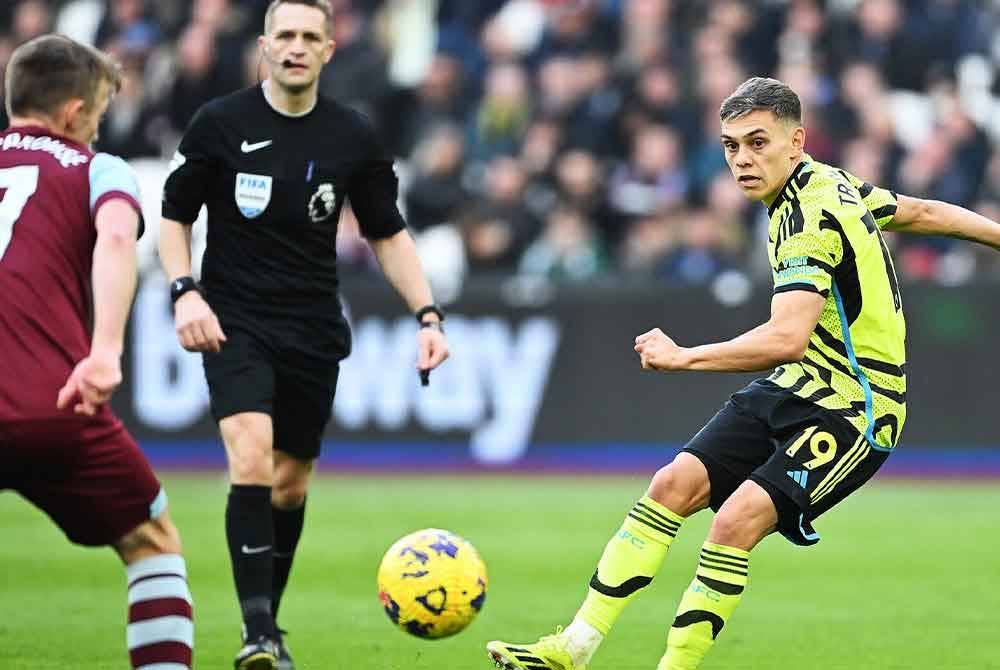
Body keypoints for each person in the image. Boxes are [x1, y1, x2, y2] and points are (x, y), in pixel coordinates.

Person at [486, 76, 1000, 670]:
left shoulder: (809, 217)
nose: (742, 160)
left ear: (796, 141)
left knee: (733, 523)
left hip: (858, 408)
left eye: (757, 143)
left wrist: (684, 357)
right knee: (670, 486)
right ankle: (573, 649)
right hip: (799, 385)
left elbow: (786, 338)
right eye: (731, 146)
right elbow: (922, 211)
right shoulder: (830, 183)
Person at [158, 1, 449, 668]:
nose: (295, 47)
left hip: (313, 325)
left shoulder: (352, 134)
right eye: (283, 35)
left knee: (289, 485)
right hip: (234, 319)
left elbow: (387, 233)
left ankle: (270, 625)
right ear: (264, 46)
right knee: (250, 457)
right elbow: (174, 215)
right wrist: (183, 291)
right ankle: (256, 632)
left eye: (308, 37)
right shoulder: (220, 124)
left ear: (328, 50)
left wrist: (428, 315)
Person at [0, 35, 194, 670]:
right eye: (102, 116)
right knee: (152, 541)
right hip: (47, 401)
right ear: (74, 114)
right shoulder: (95, 167)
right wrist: (106, 350)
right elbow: (115, 237)